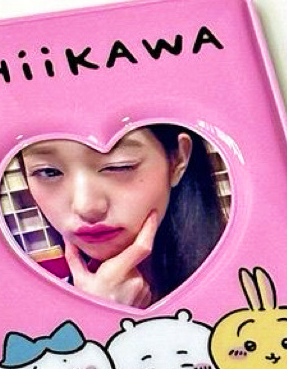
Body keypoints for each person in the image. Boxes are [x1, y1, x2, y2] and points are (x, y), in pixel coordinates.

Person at [19, 125, 227, 308]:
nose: (86, 207)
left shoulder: (240, 287)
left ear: (177, 160)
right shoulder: (35, 320)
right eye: (48, 172)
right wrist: (96, 315)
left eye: (120, 166)